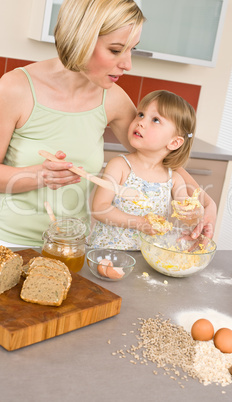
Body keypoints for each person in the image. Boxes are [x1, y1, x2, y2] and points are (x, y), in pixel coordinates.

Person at [0, 0, 216, 248]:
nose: (127, 64)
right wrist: (38, 176)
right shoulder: (15, 88)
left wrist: (208, 204)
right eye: (115, 50)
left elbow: (159, 158)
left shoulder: (112, 98)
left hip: (73, 246)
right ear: (81, 39)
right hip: (8, 243)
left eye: (132, 49)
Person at [89, 90, 205, 250]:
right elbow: (99, 209)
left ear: (174, 142)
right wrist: (139, 223)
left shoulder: (174, 179)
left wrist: (194, 214)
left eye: (155, 120)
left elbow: (187, 213)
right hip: (107, 253)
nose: (140, 122)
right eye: (141, 114)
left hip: (148, 256)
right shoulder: (120, 166)